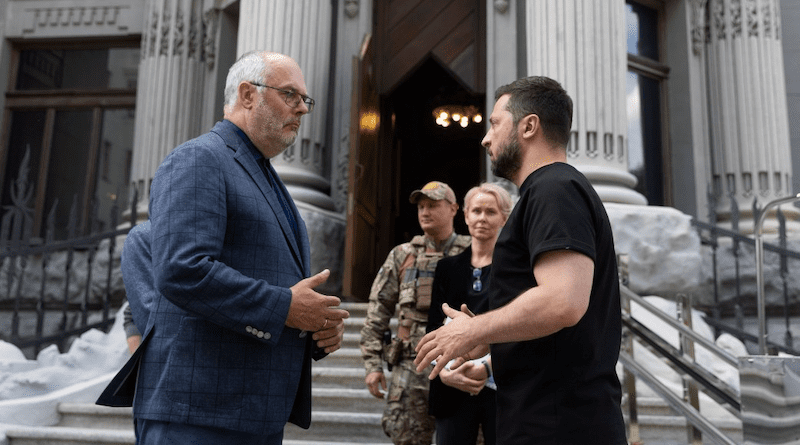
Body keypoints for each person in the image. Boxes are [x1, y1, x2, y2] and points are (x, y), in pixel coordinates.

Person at [101, 51, 350, 445]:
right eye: (290, 94)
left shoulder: (263, 174)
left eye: (306, 99)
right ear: (248, 94)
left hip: (251, 414)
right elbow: (183, 270)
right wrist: (285, 307)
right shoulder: (200, 159)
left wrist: (312, 330)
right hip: (199, 414)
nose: (303, 108)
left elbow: (263, 289)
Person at [414, 76, 627, 444]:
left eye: (495, 124)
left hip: (560, 427)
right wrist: (490, 338)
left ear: (529, 126)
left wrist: (475, 330)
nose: (485, 138)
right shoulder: (549, 191)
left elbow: (563, 301)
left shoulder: (554, 189)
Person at [360, 180, 471, 445]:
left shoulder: (473, 251)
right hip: (411, 367)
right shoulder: (403, 255)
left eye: (432, 205)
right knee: (407, 438)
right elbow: (378, 312)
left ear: (454, 208)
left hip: (460, 363)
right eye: (421, 206)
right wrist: (373, 365)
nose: (424, 212)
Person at [426, 183, 512, 445]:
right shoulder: (446, 268)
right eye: (476, 211)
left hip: (504, 389)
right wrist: (444, 372)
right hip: (452, 385)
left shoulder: (517, 270)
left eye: (490, 211)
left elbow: (522, 326)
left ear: (504, 218)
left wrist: (488, 367)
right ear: (465, 216)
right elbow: (433, 327)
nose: (482, 218)